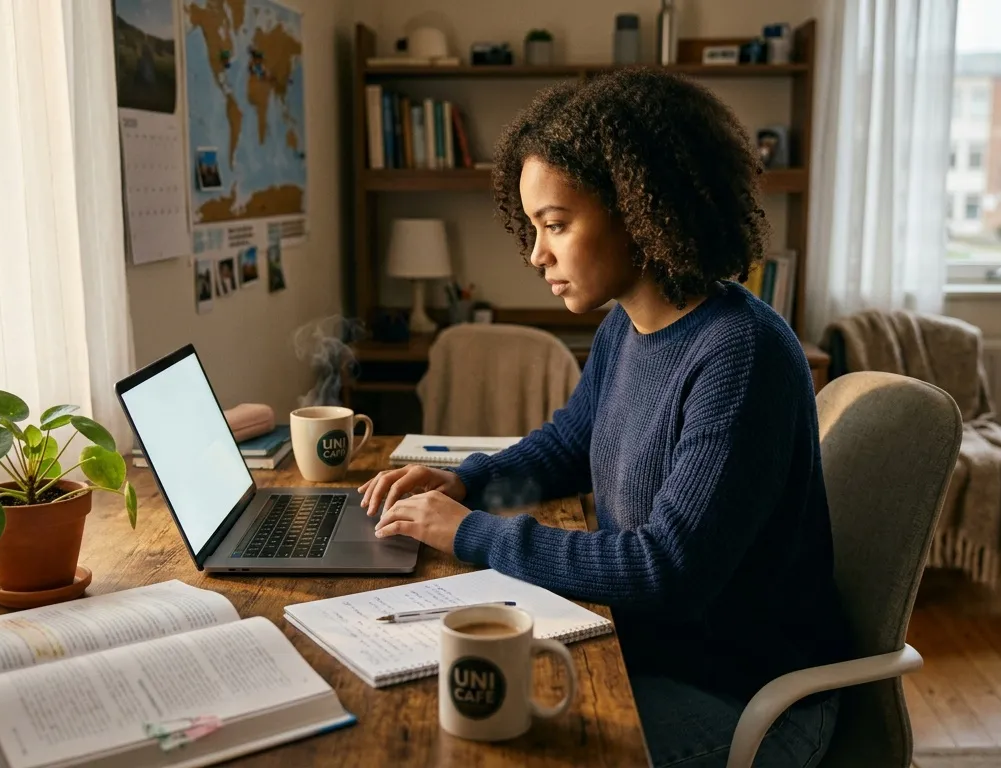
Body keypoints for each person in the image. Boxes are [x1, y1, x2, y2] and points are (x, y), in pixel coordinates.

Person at [357, 68, 849, 768]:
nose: (536, 254)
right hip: (644, 650)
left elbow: (668, 569)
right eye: (531, 227)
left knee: (477, 739)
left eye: (556, 224)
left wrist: (472, 533)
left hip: (744, 701)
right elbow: (567, 443)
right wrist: (466, 482)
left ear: (642, 210)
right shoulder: (627, 326)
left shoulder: (743, 354)